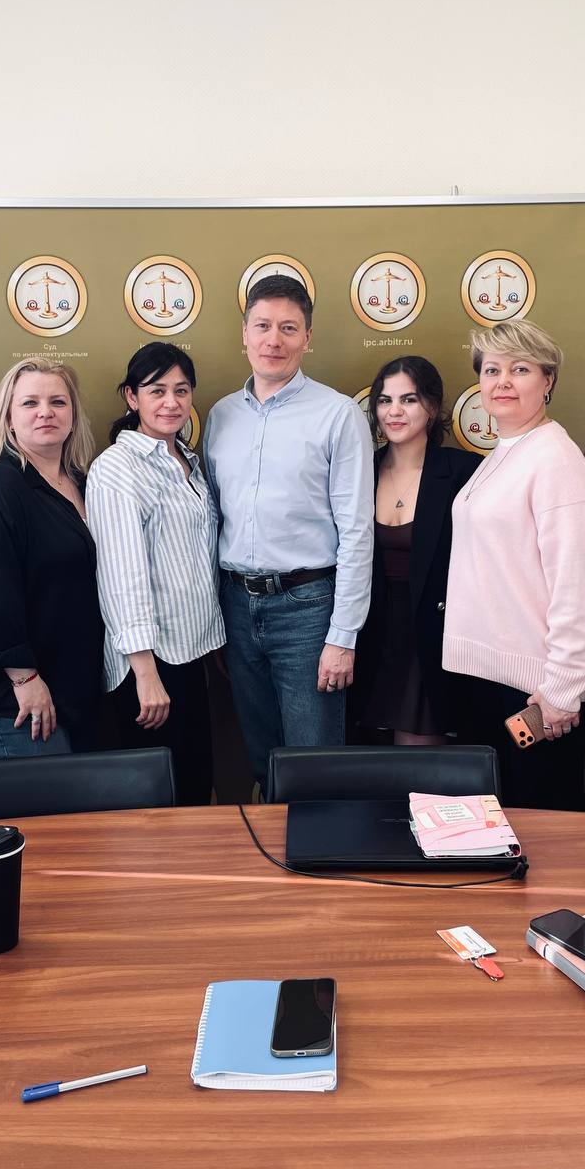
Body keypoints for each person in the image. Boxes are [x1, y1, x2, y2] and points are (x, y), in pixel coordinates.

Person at [203, 274, 374, 790]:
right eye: (262, 326)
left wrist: (343, 636)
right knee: (261, 758)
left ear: (308, 337)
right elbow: (213, 519)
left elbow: (357, 531)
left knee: (312, 764)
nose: (273, 339)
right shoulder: (221, 415)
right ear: (244, 334)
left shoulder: (337, 414)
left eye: (288, 327)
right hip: (237, 605)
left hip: (308, 609)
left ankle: (317, 842)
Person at [442, 320, 585, 811]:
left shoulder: (555, 460)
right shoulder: (505, 452)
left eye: (520, 369)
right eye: (492, 370)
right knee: (492, 831)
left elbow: (574, 584)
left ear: (548, 380)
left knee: (544, 829)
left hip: (535, 692)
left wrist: (562, 687)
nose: (503, 382)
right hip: (486, 681)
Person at [86, 344, 225, 805]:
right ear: (132, 397)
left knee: (194, 786)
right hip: (149, 662)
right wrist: (144, 673)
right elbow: (121, 576)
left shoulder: (187, 460)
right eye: (157, 391)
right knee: (159, 802)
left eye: (181, 391)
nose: (171, 402)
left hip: (190, 654)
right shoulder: (117, 468)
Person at [0, 358, 104, 758]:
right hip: (16, 699)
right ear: (8, 418)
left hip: (73, 687)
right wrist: (24, 679)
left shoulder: (82, 482)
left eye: (58, 402)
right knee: (49, 801)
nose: (45, 412)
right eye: (30, 403)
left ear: (73, 415)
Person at [354, 356, 480, 744]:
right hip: (371, 636)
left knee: (419, 760)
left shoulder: (464, 471)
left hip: (431, 638)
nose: (394, 411)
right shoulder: (359, 471)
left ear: (432, 406)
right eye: (384, 400)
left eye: (408, 399)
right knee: (370, 761)